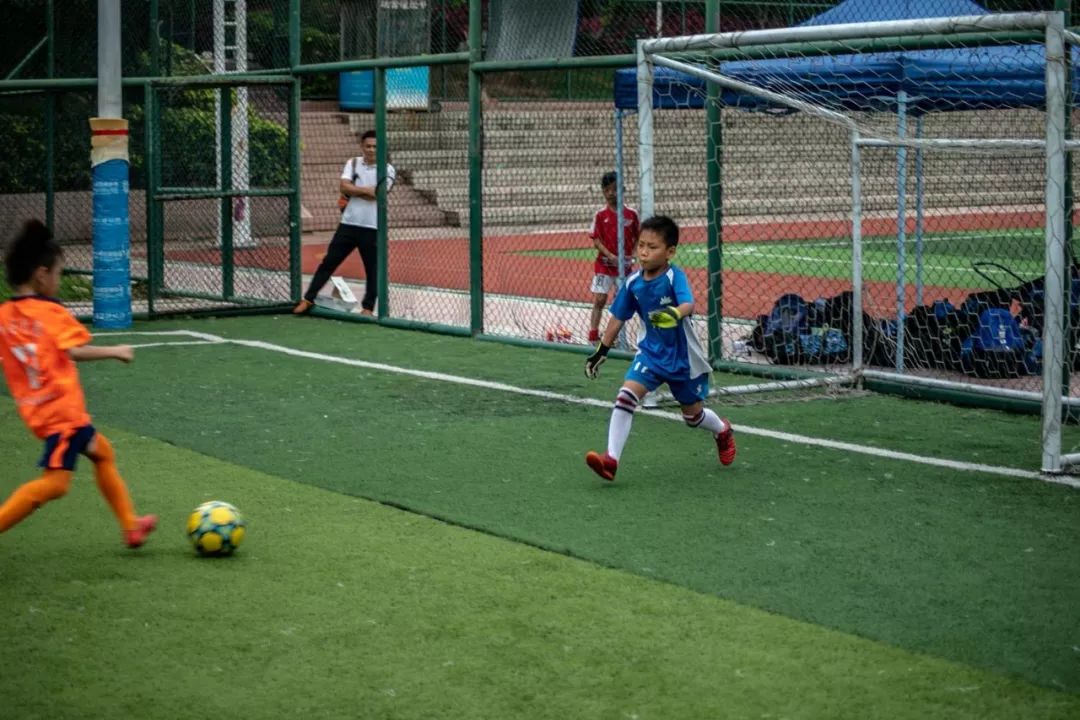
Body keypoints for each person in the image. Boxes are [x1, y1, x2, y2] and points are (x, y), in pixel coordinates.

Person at [0, 220, 157, 546]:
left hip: (40, 413)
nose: (58, 281)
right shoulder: (50, 313)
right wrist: (116, 351)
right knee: (56, 484)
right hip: (62, 413)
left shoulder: (5, 315)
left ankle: (130, 525)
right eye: (58, 273)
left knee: (102, 453)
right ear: (42, 275)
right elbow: (73, 350)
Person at [583, 215, 736, 481]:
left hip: (683, 359)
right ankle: (611, 461)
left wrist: (674, 314)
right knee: (625, 397)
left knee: (693, 417)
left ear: (670, 252)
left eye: (652, 247)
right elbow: (618, 317)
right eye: (641, 245)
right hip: (651, 355)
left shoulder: (674, 276)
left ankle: (722, 430)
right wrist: (601, 351)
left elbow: (689, 304)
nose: (643, 252)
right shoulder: (633, 283)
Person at [293, 129, 396, 317]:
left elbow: (378, 194)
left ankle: (367, 308)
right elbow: (343, 186)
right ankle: (308, 299)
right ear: (362, 146)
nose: (371, 150)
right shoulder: (353, 162)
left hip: (373, 227)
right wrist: (366, 190)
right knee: (329, 262)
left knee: (373, 270)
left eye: (375, 147)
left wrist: (355, 190)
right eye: (368, 146)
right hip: (348, 224)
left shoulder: (387, 169)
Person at [587, 171, 639, 344]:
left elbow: (638, 237)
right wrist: (610, 255)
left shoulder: (631, 214)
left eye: (614, 189)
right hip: (604, 265)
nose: (611, 193)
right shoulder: (600, 215)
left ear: (622, 190)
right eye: (607, 190)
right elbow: (595, 239)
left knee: (621, 303)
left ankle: (615, 338)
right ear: (603, 191)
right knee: (600, 299)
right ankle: (593, 334)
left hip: (624, 267)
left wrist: (634, 254)